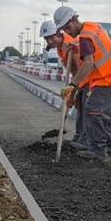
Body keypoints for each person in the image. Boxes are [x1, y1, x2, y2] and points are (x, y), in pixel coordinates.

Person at [53, 6, 111, 159]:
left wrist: (72, 85)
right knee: (102, 113)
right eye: (64, 30)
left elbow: (87, 64)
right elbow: (96, 46)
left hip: (108, 77)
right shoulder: (92, 26)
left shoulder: (85, 37)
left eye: (68, 27)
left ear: (75, 19)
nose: (68, 32)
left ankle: (98, 150)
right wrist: (79, 46)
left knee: (93, 110)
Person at [39, 20, 89, 150]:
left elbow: (76, 72)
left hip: (89, 79)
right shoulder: (62, 47)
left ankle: (84, 141)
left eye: (52, 37)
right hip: (82, 80)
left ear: (59, 33)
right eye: (46, 39)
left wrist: (71, 96)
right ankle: (79, 137)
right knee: (80, 107)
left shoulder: (69, 46)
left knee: (86, 109)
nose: (50, 42)